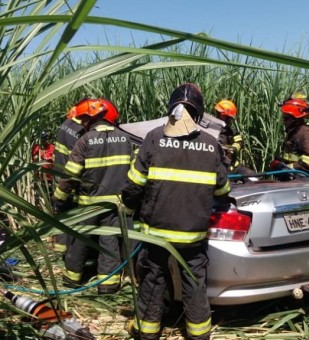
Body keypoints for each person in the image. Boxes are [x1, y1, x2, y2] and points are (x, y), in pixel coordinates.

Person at [122, 83, 231, 340]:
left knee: (152, 281)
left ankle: (147, 333)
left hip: (156, 231)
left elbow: (134, 184)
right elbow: (222, 190)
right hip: (193, 234)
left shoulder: (154, 138)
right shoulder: (210, 144)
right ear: (200, 113)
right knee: (194, 283)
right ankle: (198, 334)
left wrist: (128, 206)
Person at [52, 98, 133, 293]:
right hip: (115, 204)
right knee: (110, 242)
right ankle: (109, 285)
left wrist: (59, 198)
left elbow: (70, 175)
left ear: (93, 119)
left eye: (85, 119)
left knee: (80, 241)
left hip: (89, 204)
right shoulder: (125, 139)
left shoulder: (85, 141)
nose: (84, 123)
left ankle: (72, 280)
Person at [51, 100, 89, 254]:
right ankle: (72, 251)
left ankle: (61, 249)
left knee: (62, 213)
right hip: (70, 178)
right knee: (74, 216)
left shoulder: (65, 124)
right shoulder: (82, 132)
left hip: (59, 174)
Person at [269, 92, 309, 181]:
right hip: (295, 181)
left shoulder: (306, 133)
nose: (284, 122)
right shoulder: (294, 132)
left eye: (286, 119)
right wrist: (282, 163)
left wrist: (286, 168)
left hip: (307, 184)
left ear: (295, 119)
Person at [214, 99, 255, 176]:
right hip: (219, 166)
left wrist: (233, 148)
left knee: (252, 176)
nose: (230, 121)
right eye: (228, 118)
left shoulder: (231, 130)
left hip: (233, 165)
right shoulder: (210, 129)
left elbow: (240, 141)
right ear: (222, 115)